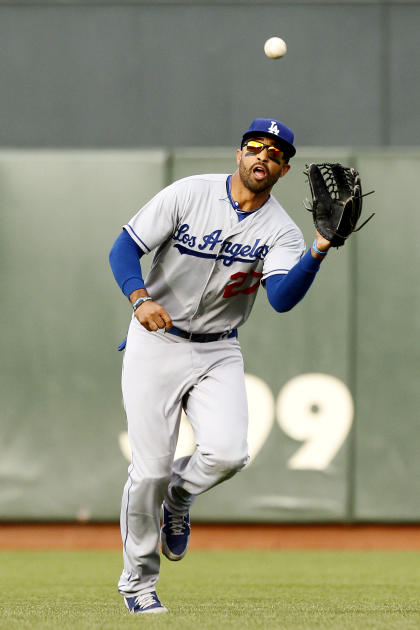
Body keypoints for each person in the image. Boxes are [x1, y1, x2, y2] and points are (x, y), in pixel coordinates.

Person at [109, 117, 331, 614]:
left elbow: (282, 299)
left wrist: (317, 250)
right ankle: (138, 584)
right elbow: (124, 247)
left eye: (274, 154)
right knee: (147, 473)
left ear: (285, 169)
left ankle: (180, 499)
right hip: (156, 340)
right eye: (256, 147)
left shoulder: (282, 230)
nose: (263, 158)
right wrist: (138, 298)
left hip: (217, 348)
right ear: (239, 153)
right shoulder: (190, 193)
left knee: (229, 454)